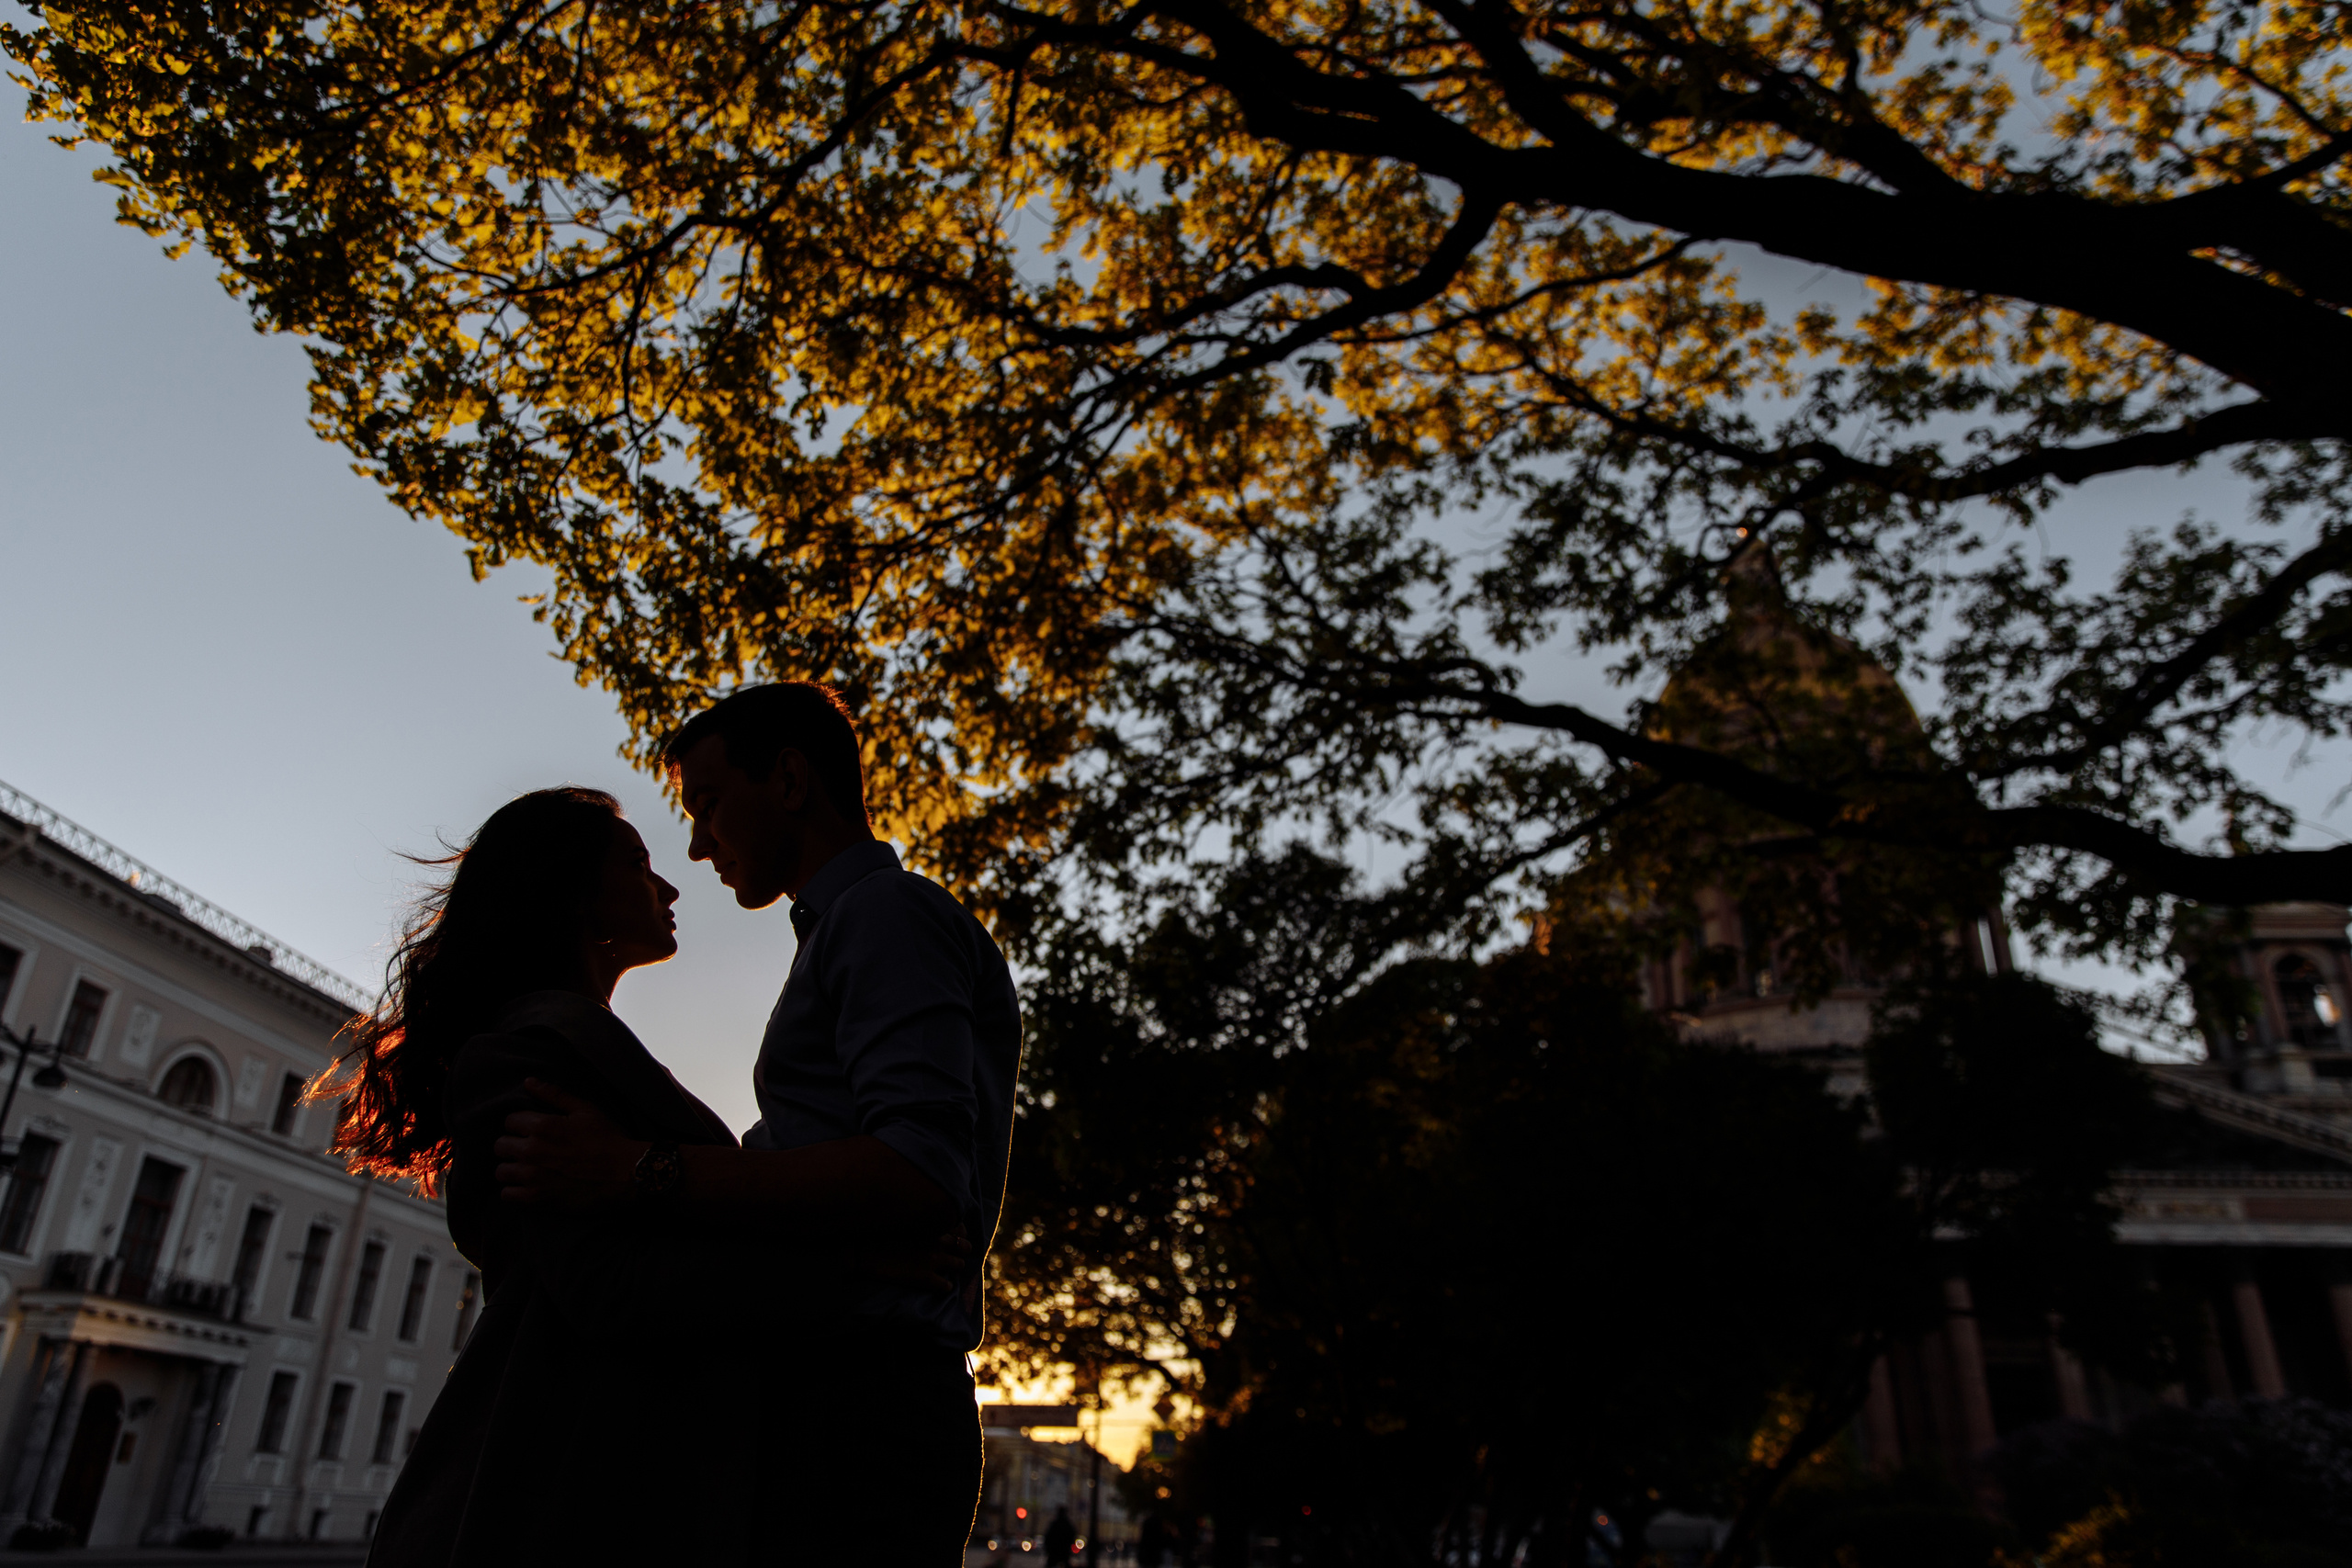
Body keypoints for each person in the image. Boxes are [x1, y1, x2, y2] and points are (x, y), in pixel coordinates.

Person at [494, 682, 1023, 1563]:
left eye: (706, 803)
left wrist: (636, 1168)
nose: (697, 846)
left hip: (861, 1407)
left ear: (786, 780)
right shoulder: (849, 930)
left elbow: (920, 1172)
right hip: (841, 1394)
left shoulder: (884, 916)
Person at [334, 786, 804, 1564]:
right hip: (570, 1481)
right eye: (639, 863)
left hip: (604, 1470)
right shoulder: (523, 1058)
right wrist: (830, 1268)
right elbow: (607, 1284)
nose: (670, 886)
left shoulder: (574, 1050)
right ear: (574, 893)